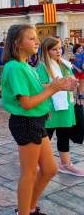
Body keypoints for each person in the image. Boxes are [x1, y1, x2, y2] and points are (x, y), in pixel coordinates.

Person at [1, 24, 72, 215]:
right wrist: (52, 89)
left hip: (37, 121)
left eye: (36, 38)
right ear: (18, 43)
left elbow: (36, 89)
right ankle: (24, 212)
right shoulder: (14, 67)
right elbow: (26, 103)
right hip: (26, 122)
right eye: (31, 38)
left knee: (49, 169)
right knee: (29, 173)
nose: (37, 41)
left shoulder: (25, 66)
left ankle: (29, 208)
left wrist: (59, 85)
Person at [36, 37, 84, 177]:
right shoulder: (43, 67)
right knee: (46, 137)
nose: (58, 51)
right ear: (46, 51)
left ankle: (66, 164)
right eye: (54, 49)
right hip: (51, 107)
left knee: (64, 135)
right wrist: (60, 85)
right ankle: (37, 163)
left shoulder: (64, 64)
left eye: (60, 48)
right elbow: (41, 86)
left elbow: (70, 79)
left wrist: (72, 83)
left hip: (66, 105)